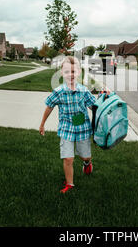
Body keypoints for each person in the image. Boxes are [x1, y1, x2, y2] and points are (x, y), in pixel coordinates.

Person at [39, 56, 102, 194]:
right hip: (66, 128)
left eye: (73, 71)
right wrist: (42, 124)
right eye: (67, 72)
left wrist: (104, 98)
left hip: (82, 128)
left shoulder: (84, 91)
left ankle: (87, 162)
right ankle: (70, 184)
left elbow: (94, 107)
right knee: (68, 158)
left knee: (84, 155)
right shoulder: (58, 92)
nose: (70, 75)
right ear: (61, 73)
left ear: (79, 72)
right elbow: (49, 106)